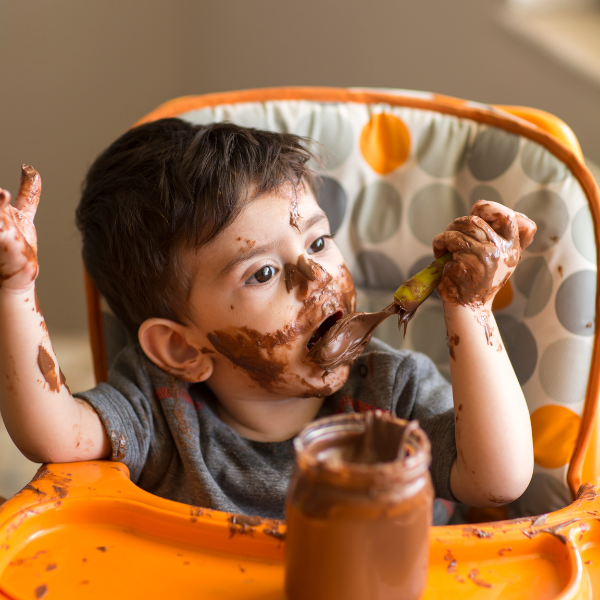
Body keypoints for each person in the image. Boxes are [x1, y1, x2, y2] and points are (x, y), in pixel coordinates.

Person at [0, 119, 535, 523]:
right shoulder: (161, 411)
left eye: (318, 242)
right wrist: (16, 286)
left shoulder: (393, 394)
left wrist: (471, 307)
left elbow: (498, 480)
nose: (316, 278)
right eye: (262, 273)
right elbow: (54, 435)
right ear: (182, 349)